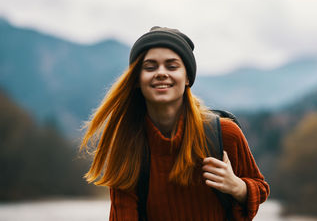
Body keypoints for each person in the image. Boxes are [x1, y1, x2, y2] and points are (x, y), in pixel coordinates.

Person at [80, 27, 270, 221]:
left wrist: (237, 186)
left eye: (172, 66)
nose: (161, 73)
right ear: (137, 79)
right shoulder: (128, 145)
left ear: (187, 77)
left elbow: (261, 188)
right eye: (150, 67)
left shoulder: (224, 133)